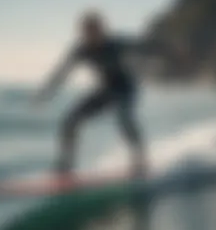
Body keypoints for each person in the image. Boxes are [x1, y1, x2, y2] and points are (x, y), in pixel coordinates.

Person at [34, 10, 146, 177]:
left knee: (124, 118)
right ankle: (66, 165)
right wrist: (45, 93)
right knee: (70, 121)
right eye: (87, 31)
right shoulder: (81, 49)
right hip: (105, 90)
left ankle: (139, 160)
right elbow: (61, 72)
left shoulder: (117, 43)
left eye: (95, 30)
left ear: (102, 29)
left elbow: (146, 46)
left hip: (126, 89)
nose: (91, 35)